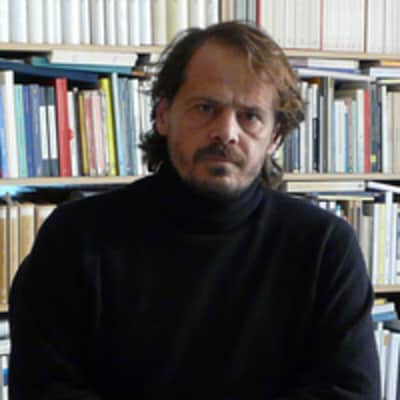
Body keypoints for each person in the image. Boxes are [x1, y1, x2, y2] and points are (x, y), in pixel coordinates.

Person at [9, 21, 380, 399]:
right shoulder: (76, 238)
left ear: (275, 137)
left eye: (250, 116)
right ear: (163, 115)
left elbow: (349, 393)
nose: (226, 132)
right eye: (206, 108)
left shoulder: (323, 247)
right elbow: (42, 388)